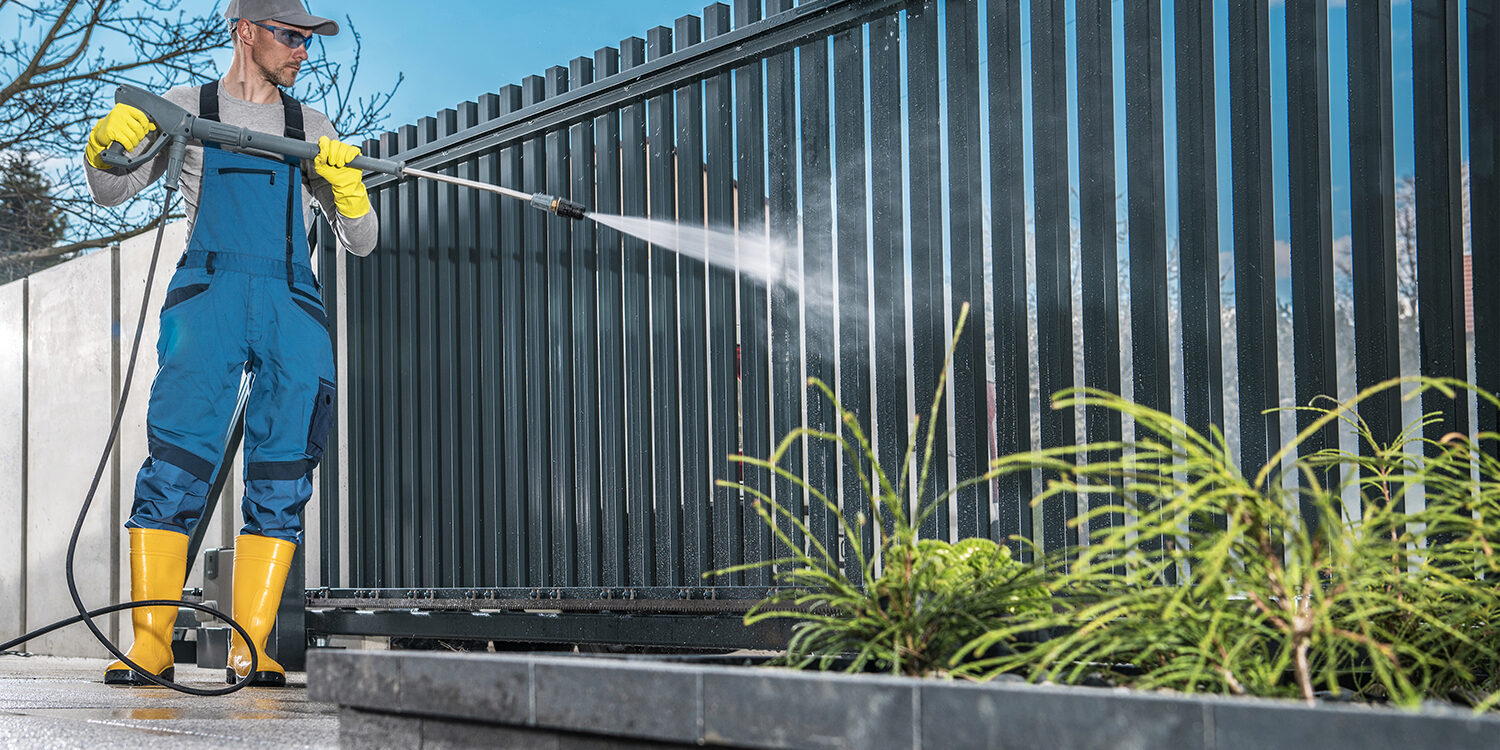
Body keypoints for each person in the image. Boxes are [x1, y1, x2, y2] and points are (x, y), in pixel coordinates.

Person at [83, 0, 376, 687]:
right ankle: (152, 642)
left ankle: (252, 648)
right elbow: (108, 190)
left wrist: (349, 191)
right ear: (245, 31)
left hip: (290, 304)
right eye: (291, 36)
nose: (304, 50)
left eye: (309, 39)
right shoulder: (186, 108)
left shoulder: (315, 128)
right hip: (208, 299)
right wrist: (106, 142)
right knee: (178, 462)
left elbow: (361, 243)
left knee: (282, 478)